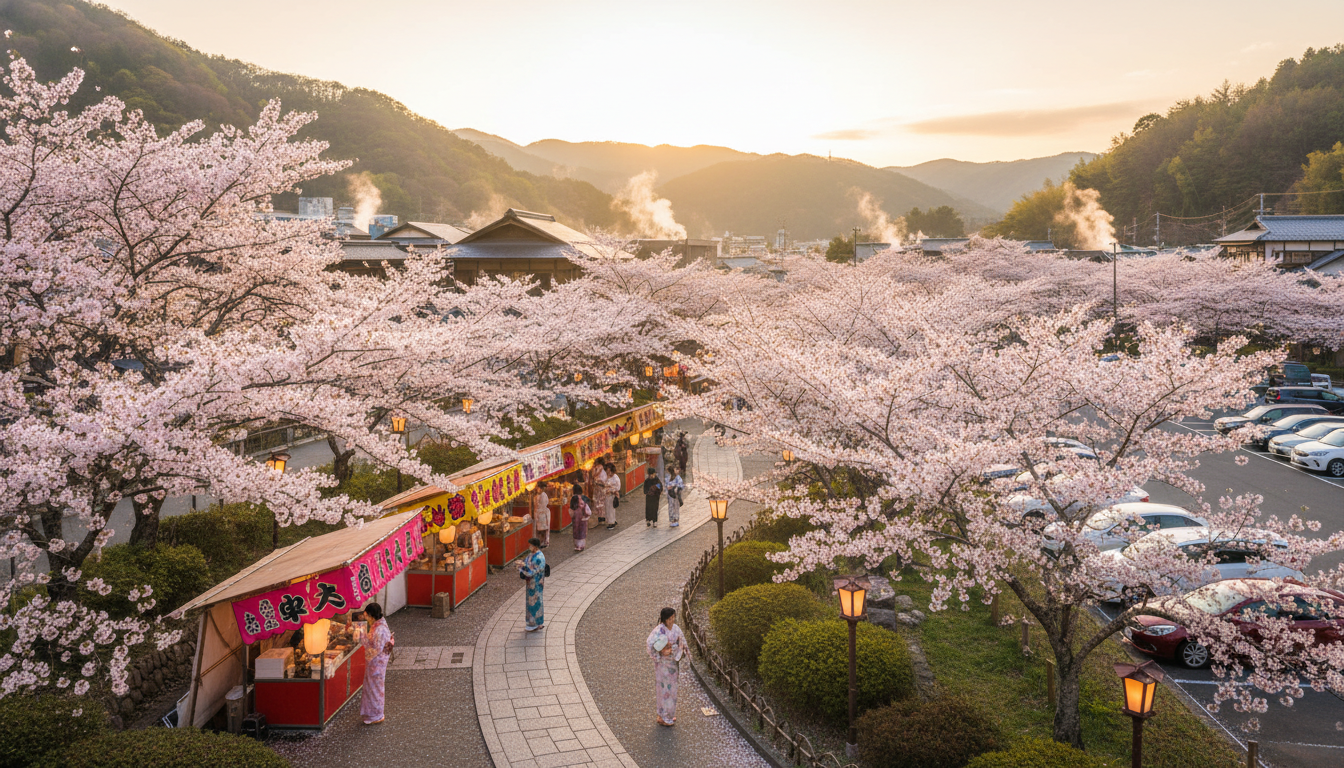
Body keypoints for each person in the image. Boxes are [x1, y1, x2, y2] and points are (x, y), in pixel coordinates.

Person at [646, 607, 690, 727]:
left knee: (672, 689)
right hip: (662, 664)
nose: (672, 620)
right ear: (664, 619)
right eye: (669, 618)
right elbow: (650, 644)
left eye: (673, 618)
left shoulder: (676, 629)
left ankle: (666, 714)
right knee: (664, 690)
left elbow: (682, 641)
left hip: (673, 663)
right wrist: (659, 654)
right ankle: (665, 717)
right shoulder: (659, 630)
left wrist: (683, 651)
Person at [356, 602, 394, 725]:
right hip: (376, 662)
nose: (365, 618)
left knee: (375, 689)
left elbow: (375, 650)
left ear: (372, 616)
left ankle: (376, 715)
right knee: (372, 688)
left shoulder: (380, 630)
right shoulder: (379, 625)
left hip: (377, 663)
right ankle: (371, 713)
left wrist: (361, 635)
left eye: (366, 615)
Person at [516, 538, 546, 631]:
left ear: (535, 546)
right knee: (532, 601)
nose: (529, 547)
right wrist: (522, 563)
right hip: (531, 583)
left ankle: (534, 624)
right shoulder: (532, 554)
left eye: (531, 545)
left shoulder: (539, 557)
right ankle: (536, 623)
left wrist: (522, 566)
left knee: (535, 601)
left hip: (536, 582)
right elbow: (527, 563)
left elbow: (531, 570)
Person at [570, 481, 592, 551]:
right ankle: (582, 545)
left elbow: (571, 508)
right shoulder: (583, 498)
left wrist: (572, 515)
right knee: (582, 531)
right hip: (583, 517)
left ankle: (577, 545)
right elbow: (587, 508)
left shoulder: (573, 499)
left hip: (576, 517)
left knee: (576, 531)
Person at [603, 461, 620, 530]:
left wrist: (611, 490)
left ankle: (611, 522)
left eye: (609, 471)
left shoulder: (615, 477)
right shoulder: (606, 477)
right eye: (607, 471)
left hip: (612, 495)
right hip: (607, 495)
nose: (608, 472)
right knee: (608, 509)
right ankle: (611, 520)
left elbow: (618, 487)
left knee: (611, 509)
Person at [533, 484, 551, 548]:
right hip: (538, 514)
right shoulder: (537, 496)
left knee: (542, 529)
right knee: (539, 529)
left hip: (542, 514)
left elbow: (541, 505)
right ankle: (540, 541)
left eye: (537, 488)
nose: (536, 489)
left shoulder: (543, 496)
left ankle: (543, 541)